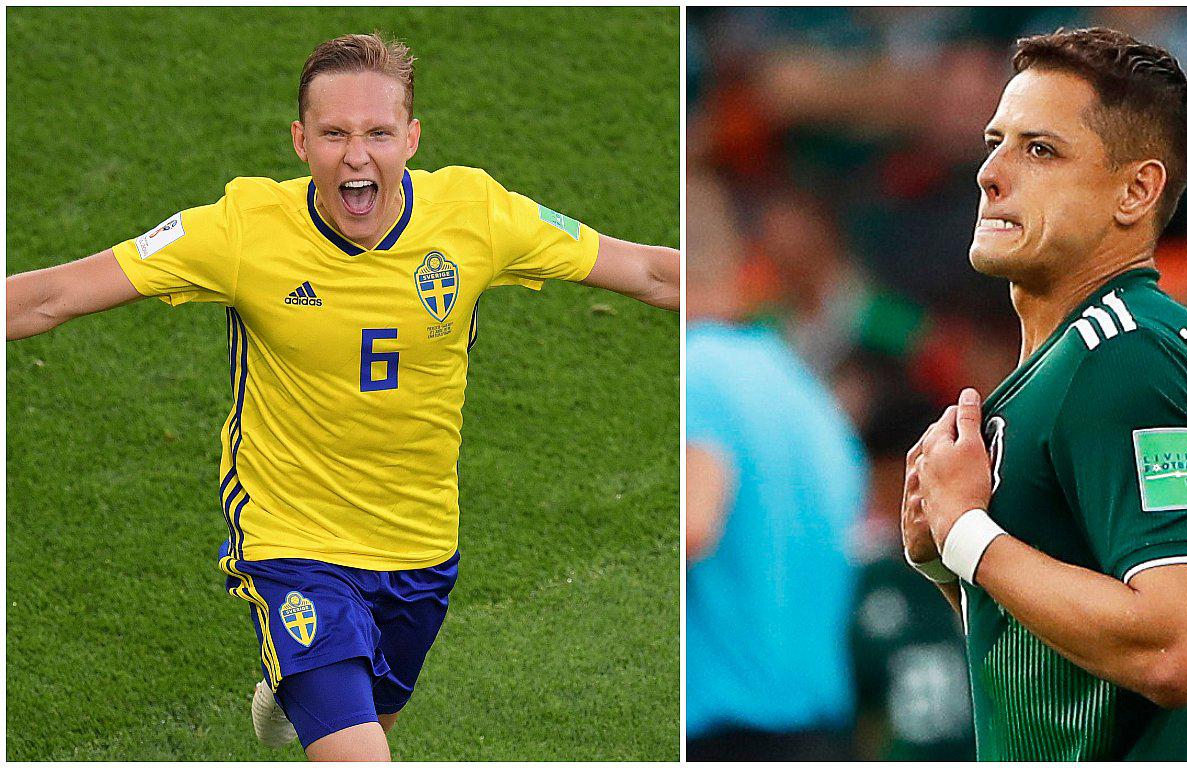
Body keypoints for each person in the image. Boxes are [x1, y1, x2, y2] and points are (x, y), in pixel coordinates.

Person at [6, 33, 679, 762]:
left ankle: (297, 687)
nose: (356, 156)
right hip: (293, 543)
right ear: (300, 141)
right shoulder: (241, 231)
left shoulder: (477, 216)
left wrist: (753, 285)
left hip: (419, 548)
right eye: (333, 134)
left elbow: (650, 273)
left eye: (378, 133)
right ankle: (306, 671)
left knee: (367, 728)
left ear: (411, 139)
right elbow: (52, 296)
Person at [900, 28, 1187, 759]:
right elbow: (1054, 673)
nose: (990, 174)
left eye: (1040, 150)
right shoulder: (1073, 361)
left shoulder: (1129, 353)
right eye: (995, 142)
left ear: (1136, 191)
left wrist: (967, 532)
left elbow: (1177, 649)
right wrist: (945, 557)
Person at [685, 171, 866, 761]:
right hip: (818, 735)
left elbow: (693, 525)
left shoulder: (696, 372)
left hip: (721, 738)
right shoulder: (808, 393)